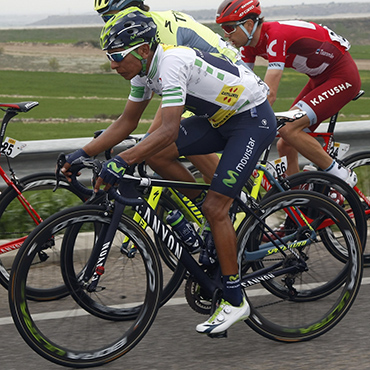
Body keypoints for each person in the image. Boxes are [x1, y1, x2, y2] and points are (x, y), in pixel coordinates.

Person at [62, 9, 277, 334]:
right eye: (110, 57)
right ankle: (207, 223)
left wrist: (123, 160)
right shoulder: (142, 74)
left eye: (118, 56)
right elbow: (127, 123)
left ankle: (235, 300)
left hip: (251, 119)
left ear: (144, 50)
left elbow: (169, 130)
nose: (113, 65)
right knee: (159, 156)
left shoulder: (172, 63)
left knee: (215, 206)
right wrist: (81, 153)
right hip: (219, 120)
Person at [94, 0, 243, 191]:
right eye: (104, 18)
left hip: (229, 81)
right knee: (160, 146)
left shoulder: (159, 31)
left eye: (111, 16)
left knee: (173, 138)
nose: (108, 23)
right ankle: (206, 204)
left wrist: (147, 140)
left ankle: (231, 198)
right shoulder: (142, 37)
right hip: (202, 87)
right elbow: (135, 110)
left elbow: (171, 98)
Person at [216, 0, 361, 184]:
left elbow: (268, 94)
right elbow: (244, 86)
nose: (226, 34)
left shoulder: (275, 36)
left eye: (229, 28)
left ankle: (343, 177)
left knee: (289, 129)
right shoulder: (248, 46)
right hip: (320, 79)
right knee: (285, 143)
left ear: (249, 25)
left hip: (342, 77)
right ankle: (298, 199)